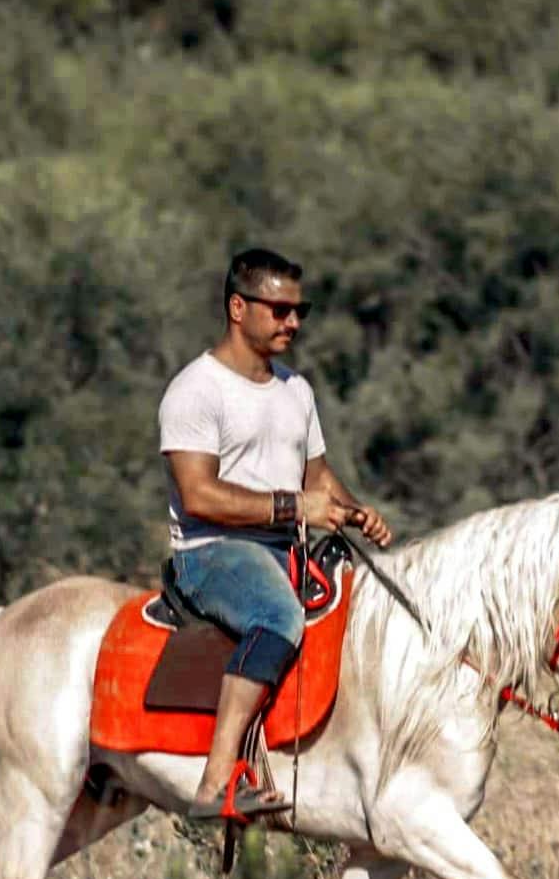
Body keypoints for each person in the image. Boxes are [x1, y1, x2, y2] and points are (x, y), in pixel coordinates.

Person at [159, 248, 393, 821]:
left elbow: (317, 474)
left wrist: (353, 509)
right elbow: (199, 496)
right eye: (279, 309)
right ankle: (216, 785)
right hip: (211, 552)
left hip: (285, 545)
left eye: (300, 310)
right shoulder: (195, 390)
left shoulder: (296, 390)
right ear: (238, 307)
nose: (293, 322)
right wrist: (297, 508)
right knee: (278, 618)